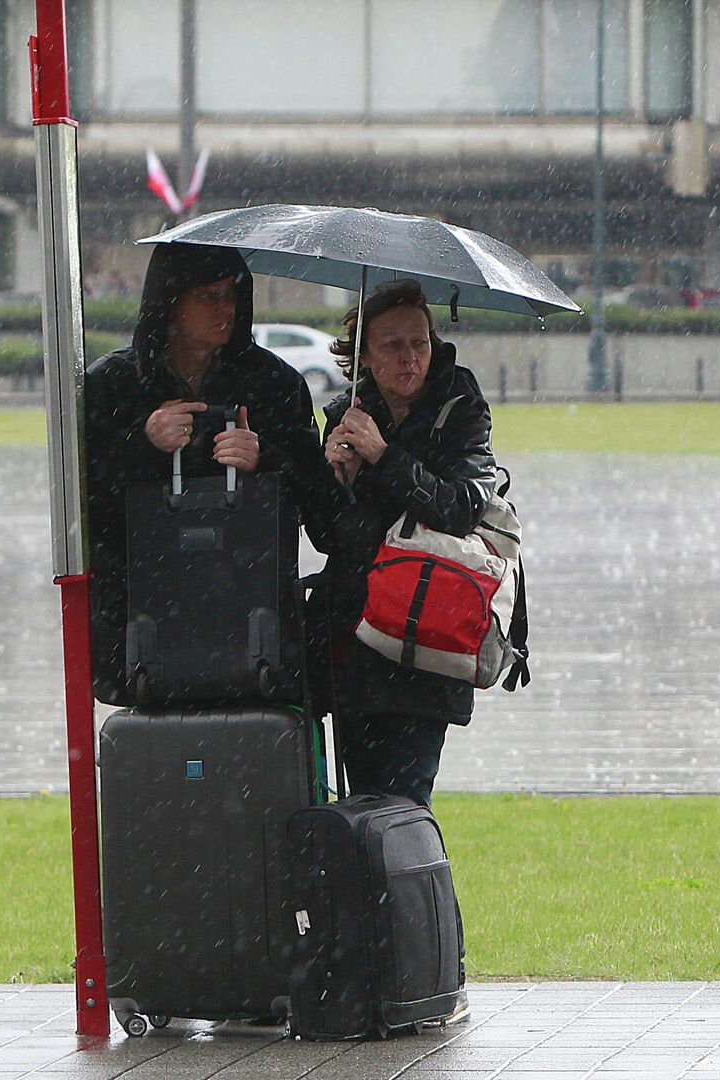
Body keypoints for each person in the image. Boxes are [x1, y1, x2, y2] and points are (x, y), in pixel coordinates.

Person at [83, 243, 336, 702]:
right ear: (168, 303)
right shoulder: (113, 385)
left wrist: (265, 461)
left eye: (232, 294)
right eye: (208, 296)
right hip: (146, 624)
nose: (226, 308)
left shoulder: (275, 385)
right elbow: (84, 511)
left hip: (252, 622)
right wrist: (143, 445)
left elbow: (322, 509)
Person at [315, 279, 497, 808]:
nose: (409, 358)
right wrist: (337, 481)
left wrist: (385, 457)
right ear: (364, 356)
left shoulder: (460, 406)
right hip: (357, 635)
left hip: (426, 632)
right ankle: (366, 890)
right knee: (362, 799)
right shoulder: (345, 416)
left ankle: (411, 891)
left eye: (419, 343)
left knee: (407, 802)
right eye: (392, 345)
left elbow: (461, 508)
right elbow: (330, 538)